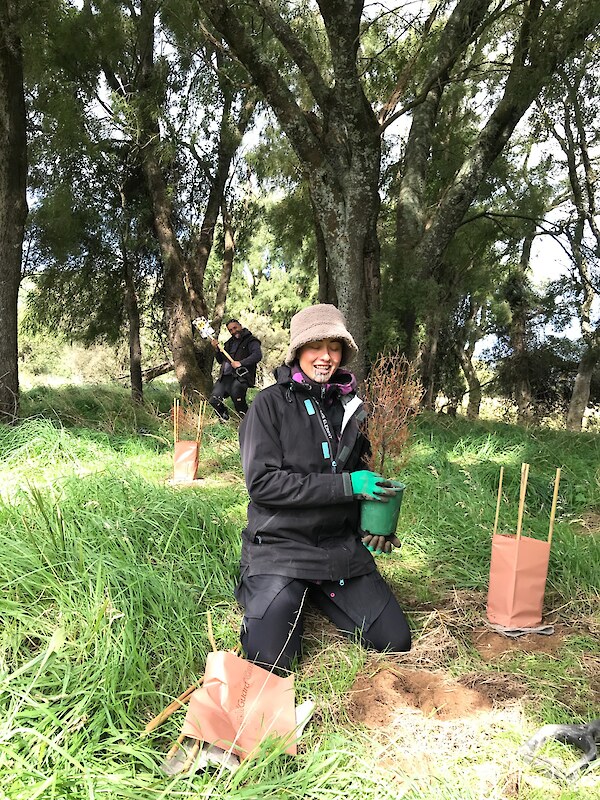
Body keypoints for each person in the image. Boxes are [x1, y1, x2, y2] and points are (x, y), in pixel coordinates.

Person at [237, 304, 411, 673]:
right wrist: (348, 485)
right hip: (280, 548)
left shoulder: (354, 408)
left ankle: (315, 590)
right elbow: (263, 485)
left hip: (338, 549)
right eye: (315, 346)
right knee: (270, 661)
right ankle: (270, 589)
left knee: (394, 641)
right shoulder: (269, 405)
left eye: (334, 347)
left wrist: (374, 523)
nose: (325, 356)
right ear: (298, 350)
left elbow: (361, 477)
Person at [208, 319, 262, 421]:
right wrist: (216, 349)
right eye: (230, 330)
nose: (233, 331)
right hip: (225, 378)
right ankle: (224, 420)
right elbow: (220, 360)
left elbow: (257, 355)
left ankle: (249, 422)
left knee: (238, 399)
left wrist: (241, 363)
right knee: (214, 400)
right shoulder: (229, 343)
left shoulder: (251, 340)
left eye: (235, 328)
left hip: (240, 377)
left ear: (240, 326)